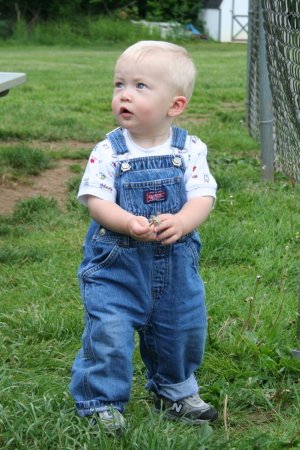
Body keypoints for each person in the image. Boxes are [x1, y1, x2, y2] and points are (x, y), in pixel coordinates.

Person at [69, 40, 218, 436]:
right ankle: (100, 400)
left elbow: (204, 195)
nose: (125, 95)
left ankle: (174, 390)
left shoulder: (189, 149)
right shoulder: (109, 151)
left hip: (176, 264)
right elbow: (96, 200)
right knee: (109, 332)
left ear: (175, 106)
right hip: (117, 265)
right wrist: (125, 220)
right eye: (120, 85)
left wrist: (184, 221)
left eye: (140, 86)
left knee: (181, 327)